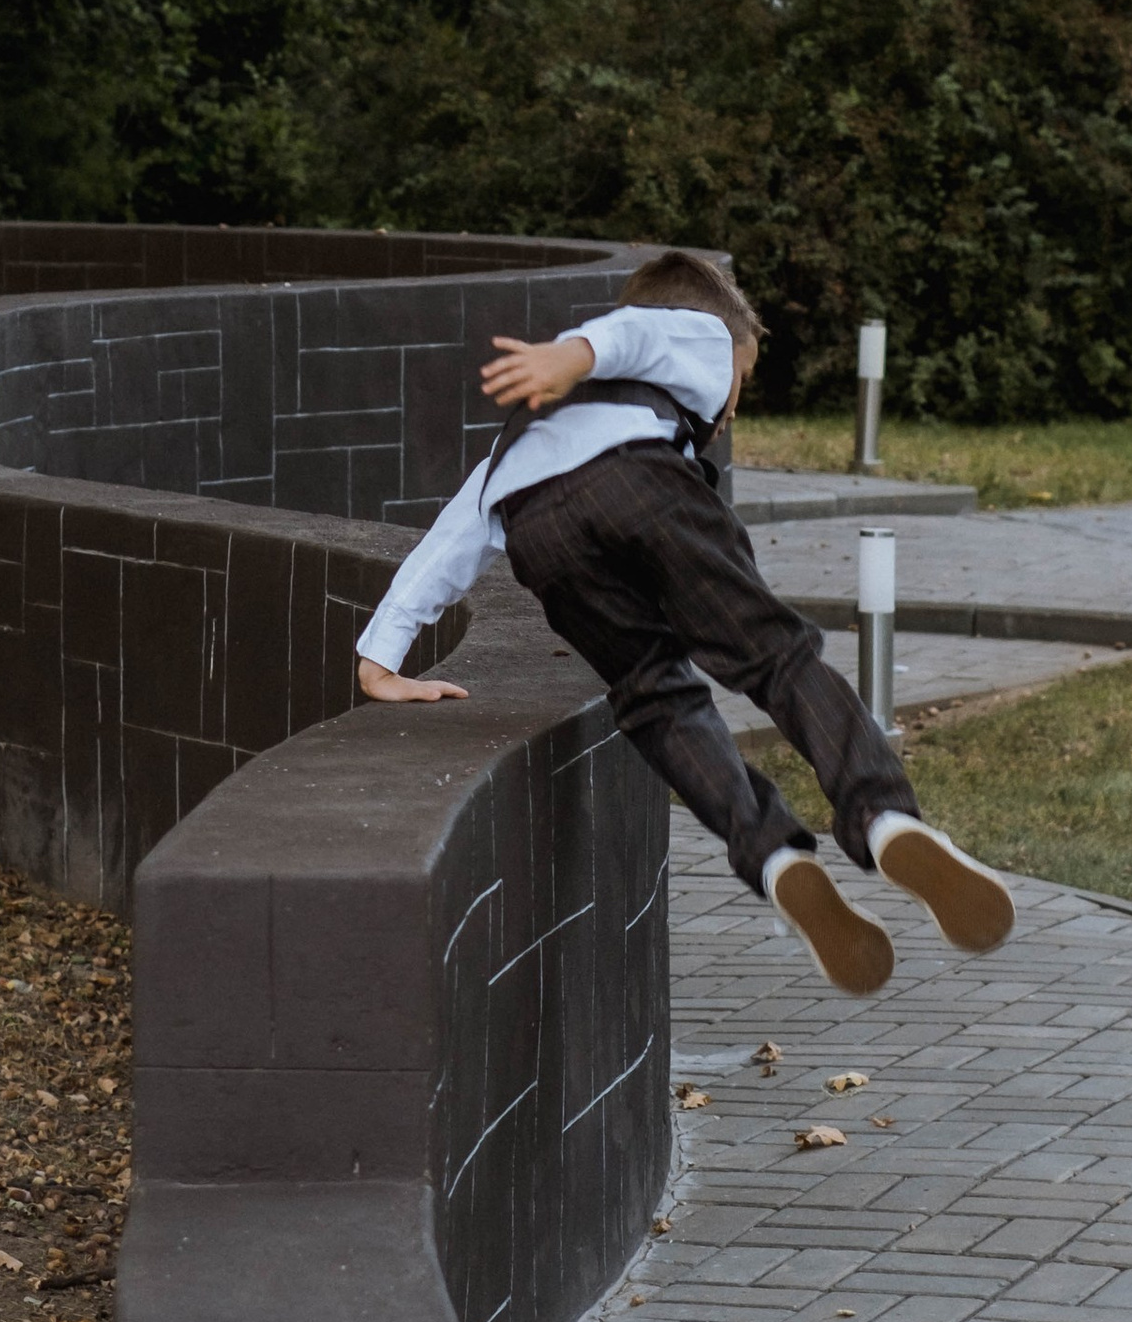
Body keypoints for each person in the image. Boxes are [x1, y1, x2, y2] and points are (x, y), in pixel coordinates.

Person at [355, 247, 1013, 995]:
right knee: (776, 658)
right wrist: (575, 353)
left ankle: (775, 859)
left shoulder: (517, 442)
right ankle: (886, 820)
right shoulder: (697, 333)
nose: (732, 411)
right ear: (728, 345)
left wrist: (380, 656)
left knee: (656, 695)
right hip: (641, 484)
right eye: (745, 383)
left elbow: (450, 541)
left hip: (540, 534)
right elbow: (635, 331)